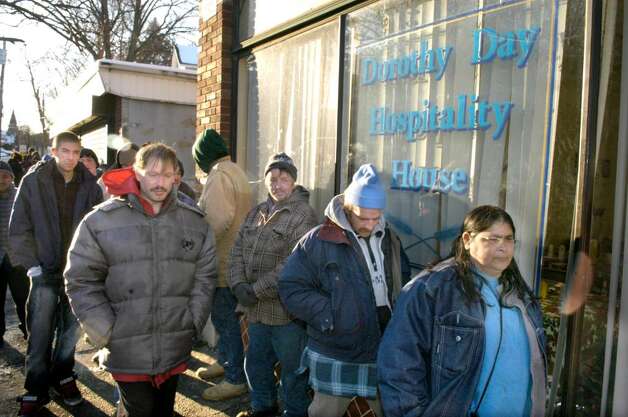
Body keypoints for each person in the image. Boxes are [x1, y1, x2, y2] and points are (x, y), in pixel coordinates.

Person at [64, 143, 217, 417]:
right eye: (151, 173)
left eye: (166, 174)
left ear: (176, 178)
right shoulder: (99, 222)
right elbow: (80, 279)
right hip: (126, 349)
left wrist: (192, 322)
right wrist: (106, 331)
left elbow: (204, 279)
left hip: (174, 344)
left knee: (163, 410)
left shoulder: (195, 223)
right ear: (136, 172)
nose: (159, 182)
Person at [377, 205, 547, 417]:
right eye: (492, 239)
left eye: (508, 239)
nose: (503, 247)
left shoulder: (520, 294)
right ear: (467, 240)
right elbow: (398, 364)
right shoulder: (431, 289)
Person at [278, 163, 410, 417]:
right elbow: (290, 286)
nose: (370, 225)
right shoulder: (318, 240)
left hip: (382, 345)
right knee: (325, 412)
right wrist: (330, 315)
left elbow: (401, 276)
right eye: (363, 217)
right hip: (335, 348)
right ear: (348, 208)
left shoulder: (389, 237)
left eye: (376, 217)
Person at [9, 131, 103, 416]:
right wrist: (32, 266)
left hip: (77, 273)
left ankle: (63, 376)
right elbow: (19, 227)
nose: (71, 157)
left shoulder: (90, 185)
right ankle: (35, 388)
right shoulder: (33, 181)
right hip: (44, 270)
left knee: (70, 333)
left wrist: (92, 268)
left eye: (76, 152)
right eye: (65, 151)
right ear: (53, 151)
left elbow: (98, 229)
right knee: (39, 333)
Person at [228, 152, 318, 417]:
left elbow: (293, 265)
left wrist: (254, 290)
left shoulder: (303, 216)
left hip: (286, 315)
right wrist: (237, 284)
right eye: (273, 178)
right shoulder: (257, 212)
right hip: (255, 312)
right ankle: (263, 409)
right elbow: (236, 251)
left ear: (293, 181)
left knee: (293, 375)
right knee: (255, 366)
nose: (278, 184)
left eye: (284, 178)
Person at [192, 129, 252, 401]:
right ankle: (225, 361)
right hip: (237, 258)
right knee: (226, 319)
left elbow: (216, 220)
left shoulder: (218, 175)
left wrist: (196, 243)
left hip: (223, 260)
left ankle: (234, 378)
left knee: (225, 320)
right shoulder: (235, 170)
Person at [0, 161, 28, 347]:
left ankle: (29, 330)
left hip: (18, 258)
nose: (2, 180)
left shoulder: (21, 196)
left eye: (5, 175)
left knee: (23, 298)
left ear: (12, 177)